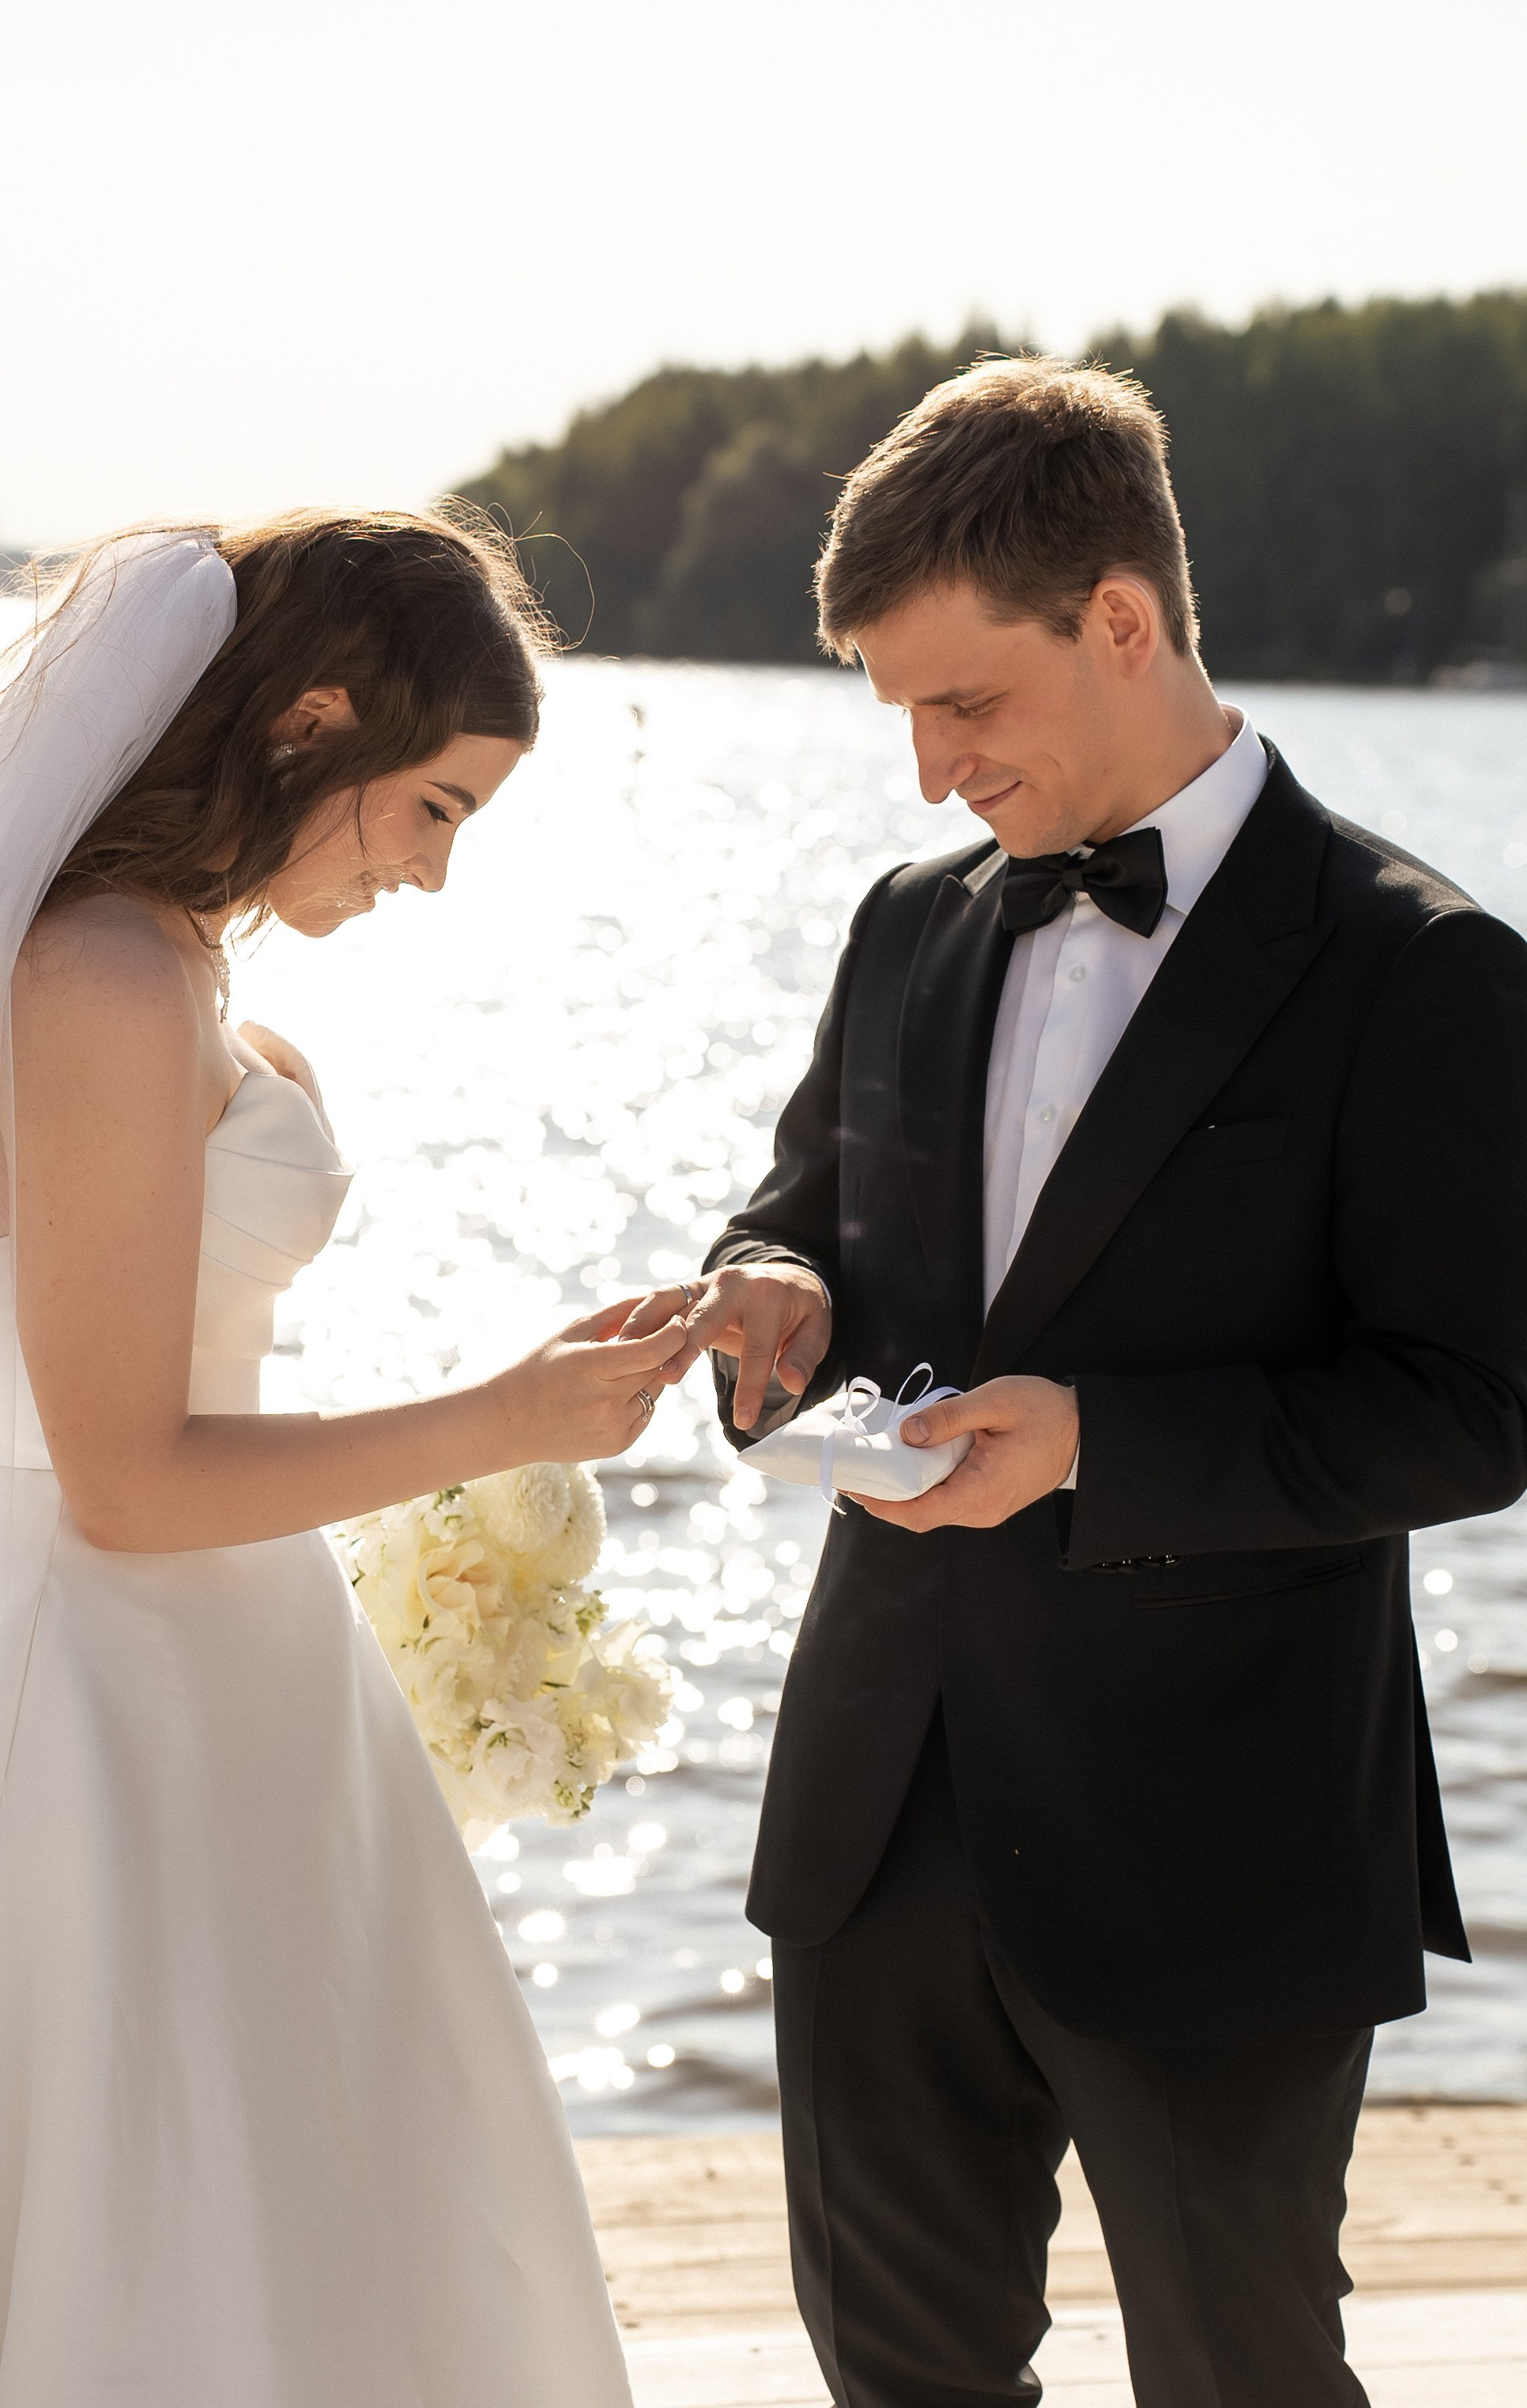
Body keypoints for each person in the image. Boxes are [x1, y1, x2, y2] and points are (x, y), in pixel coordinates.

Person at [645, 360, 1527, 2406]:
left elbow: (1475, 1401)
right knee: (895, 2374)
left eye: (966, 703)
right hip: (876, 1809)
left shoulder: (1423, 967)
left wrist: (1097, 1446)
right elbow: (804, 1210)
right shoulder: (903, 924)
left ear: (1120, 620)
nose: (932, 766)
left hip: (1215, 1838)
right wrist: (763, 1288)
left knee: (1239, 2376)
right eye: (902, 717)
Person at [0, 514, 681, 2406]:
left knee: (322, 2195)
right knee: (162, 2205)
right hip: (104, 1683)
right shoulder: (91, 970)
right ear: (312, 722)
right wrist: (497, 1419)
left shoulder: (175, 964)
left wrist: (505, 1421)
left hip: (245, 1666)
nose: (433, 871)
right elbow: (122, 1476)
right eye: (433, 809)